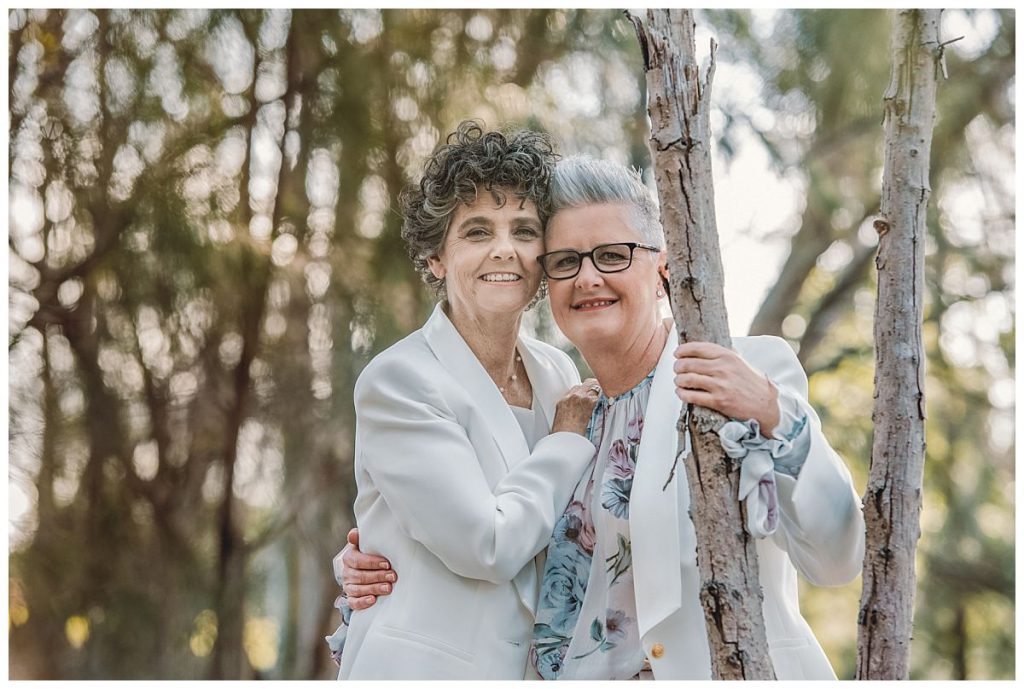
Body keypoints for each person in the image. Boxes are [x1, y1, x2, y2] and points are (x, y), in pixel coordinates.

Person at [337, 156, 865, 680]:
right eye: (566, 260)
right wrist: (376, 554)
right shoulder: (571, 404)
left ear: (662, 272)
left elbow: (838, 558)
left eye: (612, 255)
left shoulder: (739, 373)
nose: (587, 278)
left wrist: (777, 417)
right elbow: (495, 521)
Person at [327, 123, 602, 680]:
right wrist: (567, 440)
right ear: (436, 258)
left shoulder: (556, 371)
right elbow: (488, 544)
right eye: (477, 231)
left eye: (524, 231)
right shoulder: (399, 381)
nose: (505, 249)